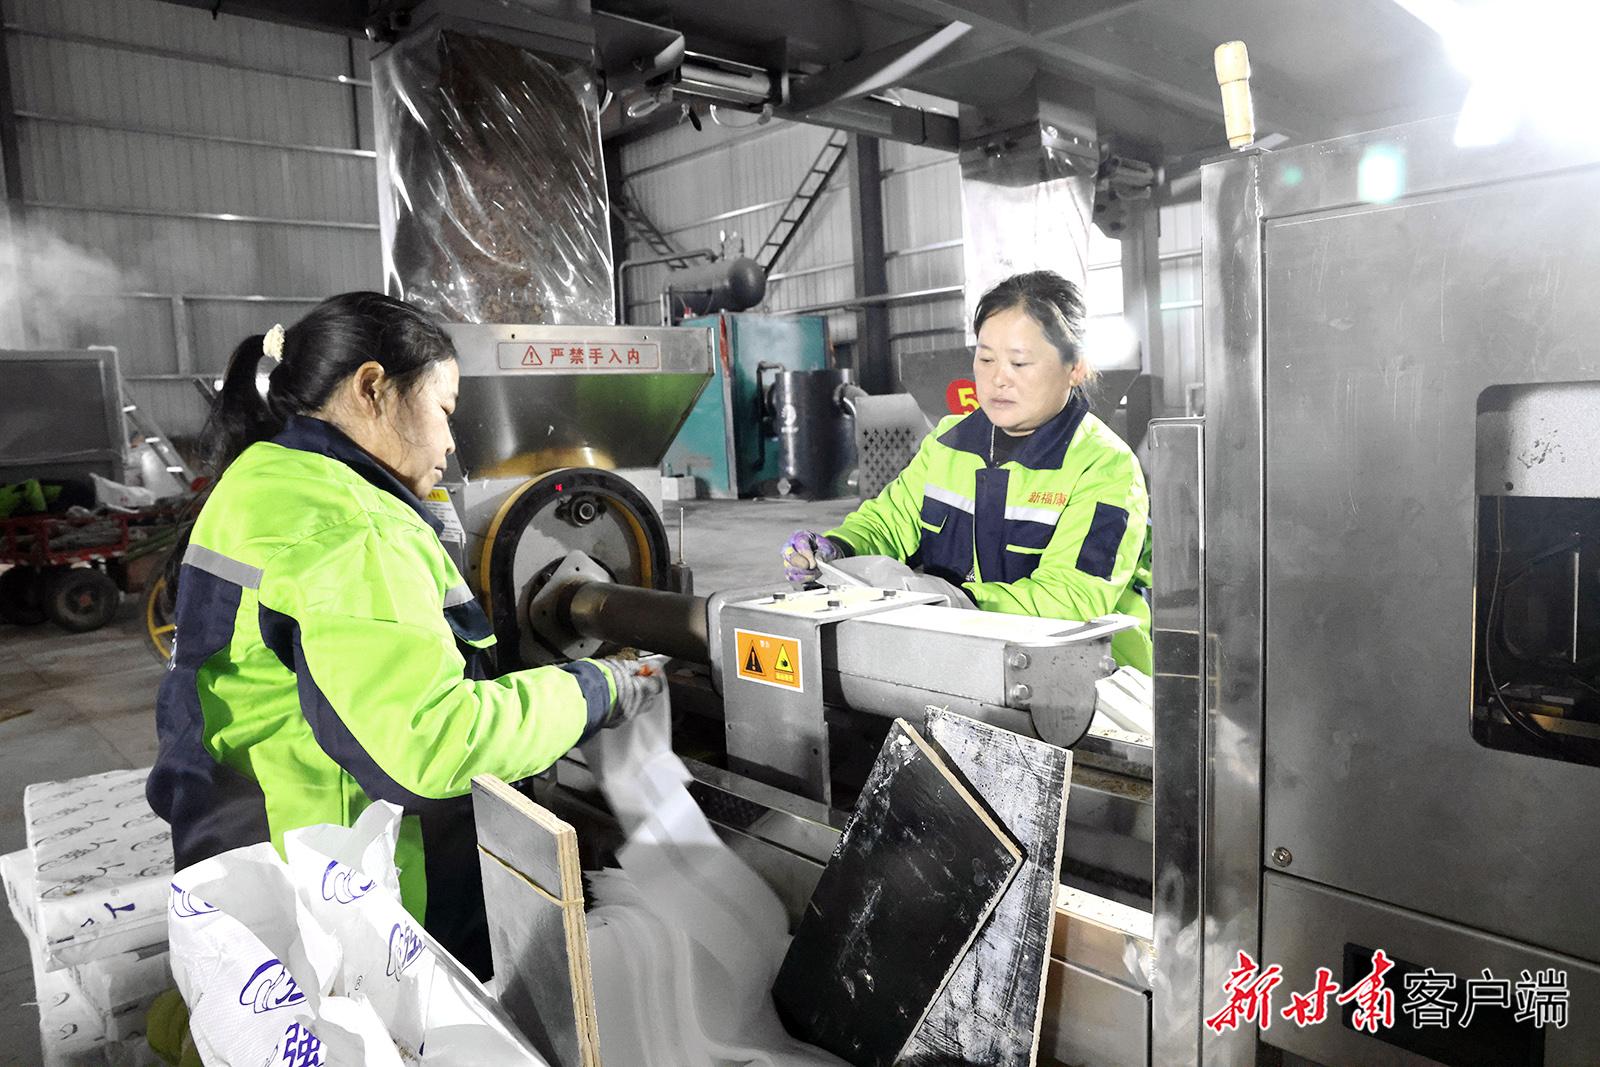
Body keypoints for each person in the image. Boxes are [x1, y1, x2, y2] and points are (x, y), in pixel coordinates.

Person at [147, 292, 662, 977]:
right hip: (352, 905)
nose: (451, 443)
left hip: (254, 858)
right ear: (372, 388)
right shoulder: (352, 525)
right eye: (444, 410)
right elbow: (433, 742)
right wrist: (602, 687)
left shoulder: (268, 480)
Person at [782, 270, 1153, 673]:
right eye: (986, 358)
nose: (998, 379)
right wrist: (837, 549)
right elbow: (889, 522)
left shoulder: (1105, 466)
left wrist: (953, 601)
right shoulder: (949, 443)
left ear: (1075, 367)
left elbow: (1070, 600)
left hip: (1088, 678)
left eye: (1019, 362)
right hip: (971, 662)